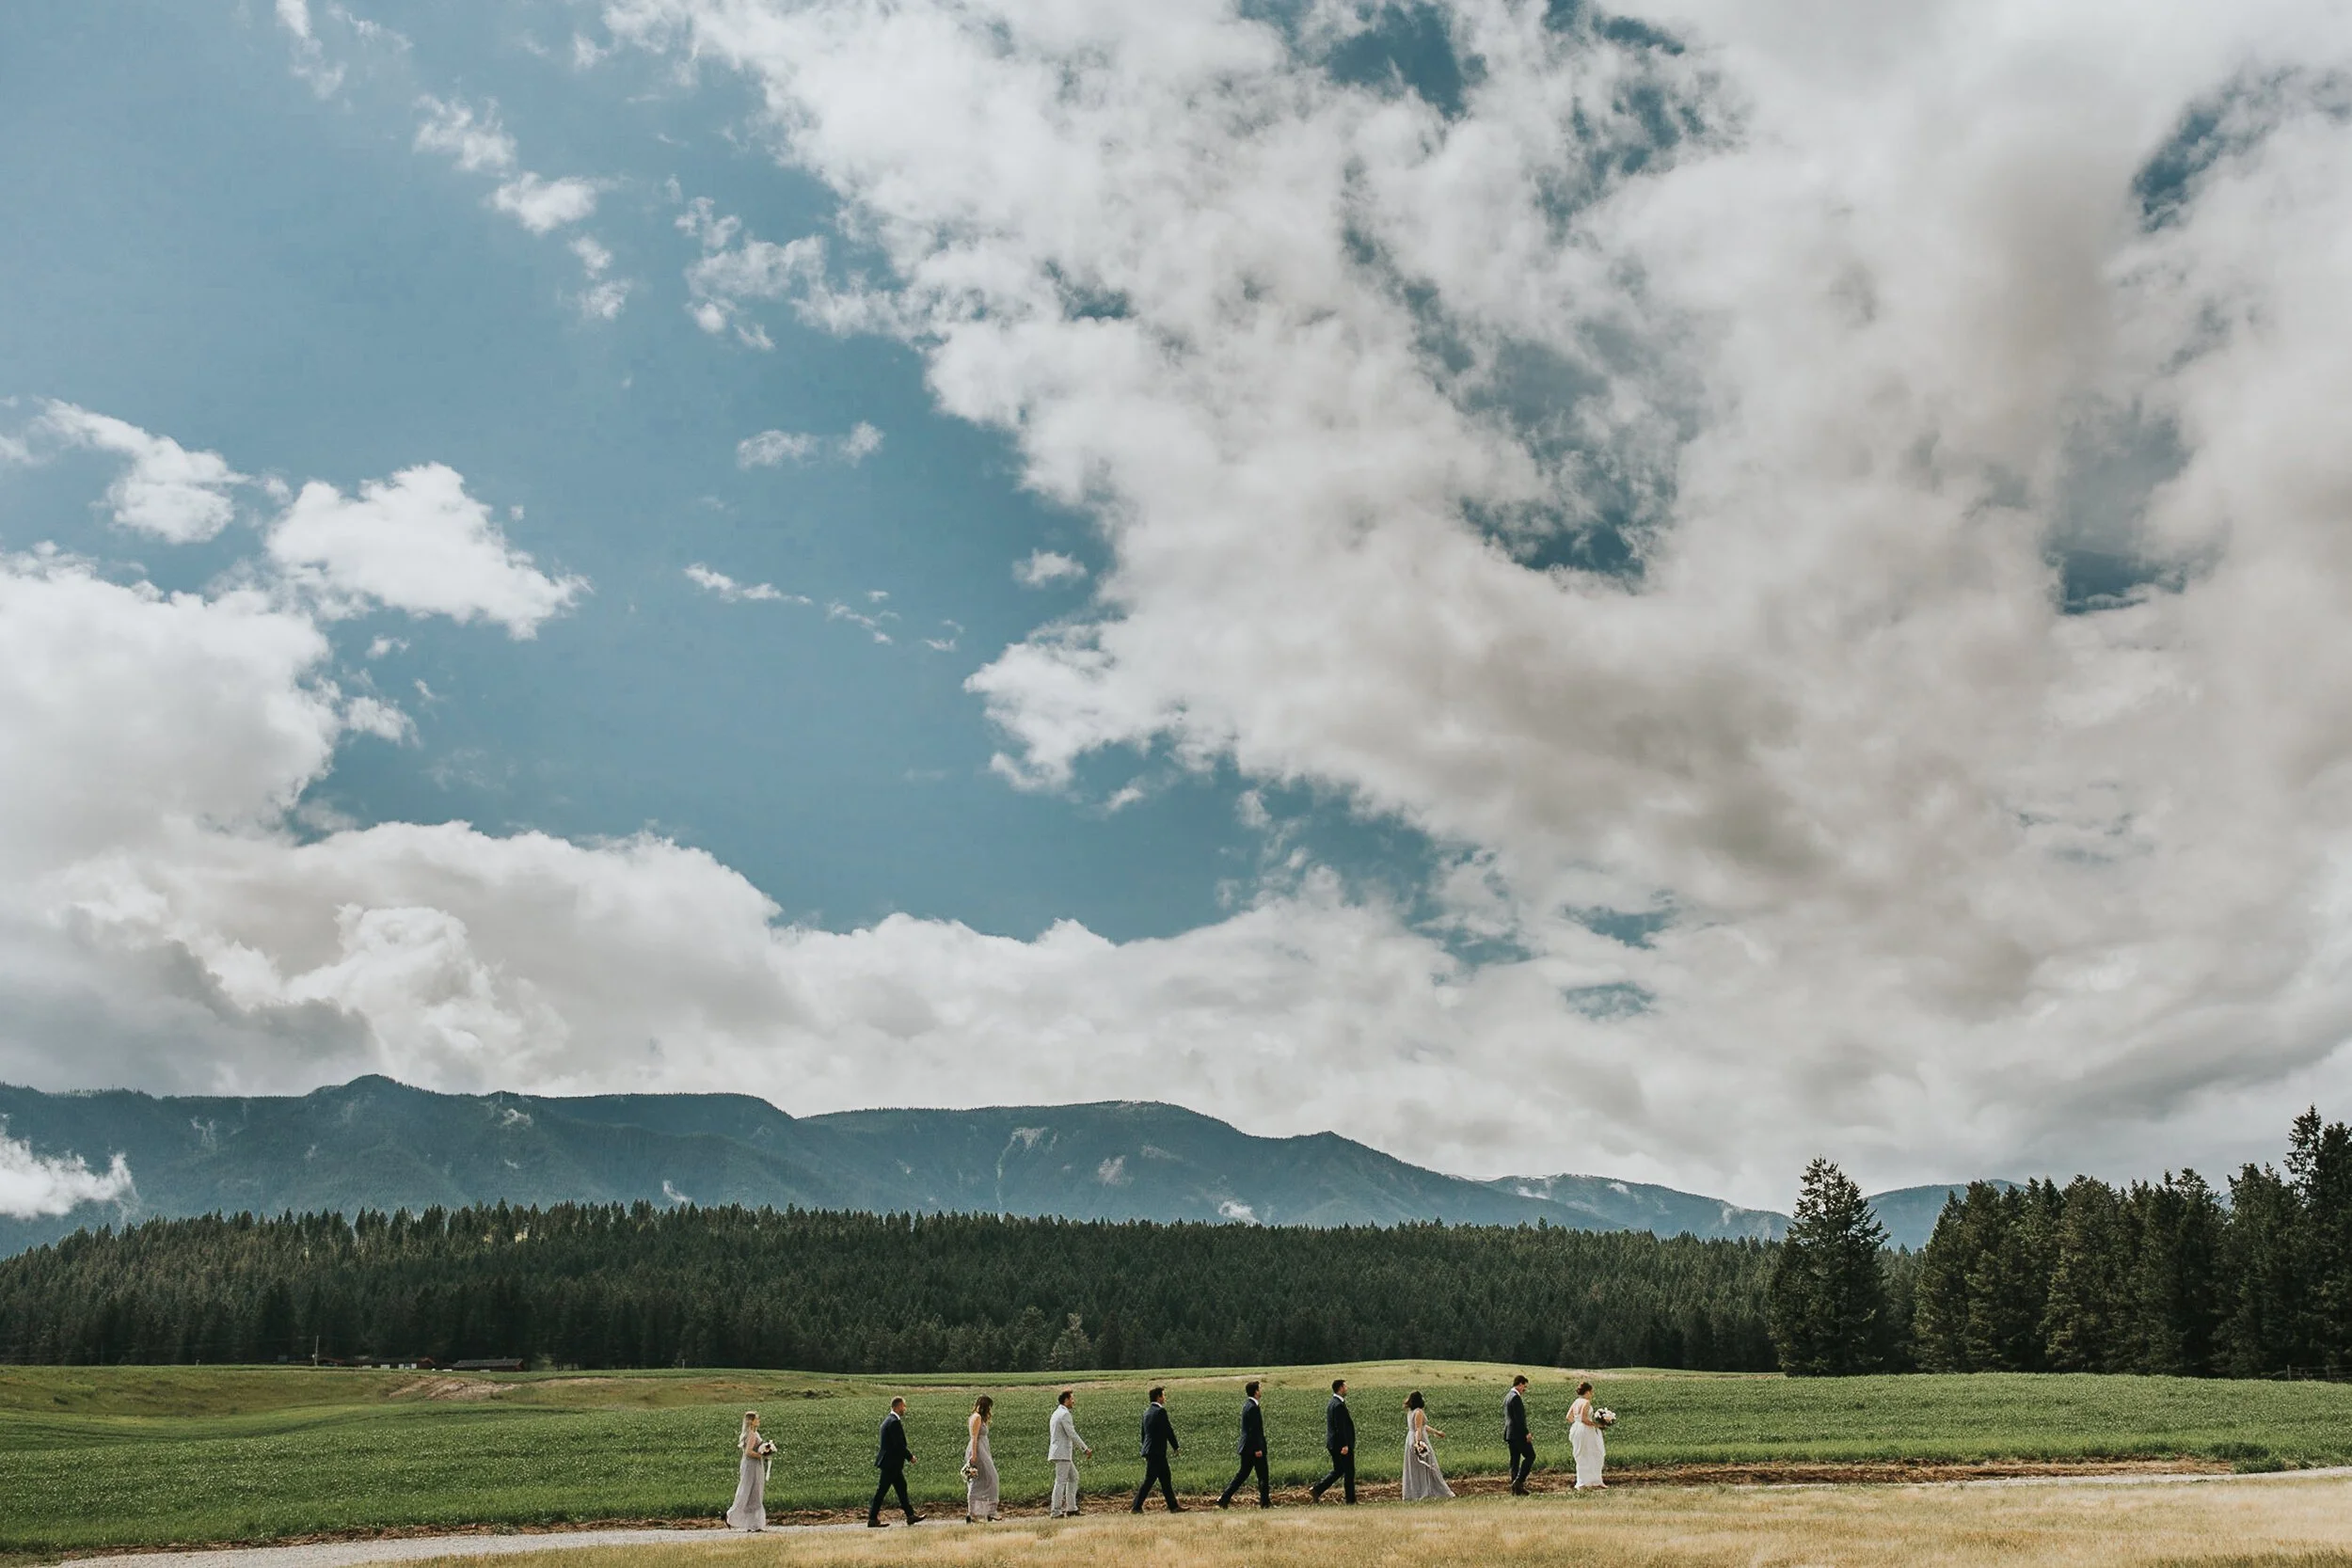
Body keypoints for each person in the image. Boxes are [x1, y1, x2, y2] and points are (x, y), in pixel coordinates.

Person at [868, 1397, 924, 1528]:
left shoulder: (888, 1420)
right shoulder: (894, 1422)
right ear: (897, 1407)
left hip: (891, 1464)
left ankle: (910, 1516)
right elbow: (899, 1444)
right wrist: (910, 1457)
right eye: (904, 1406)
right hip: (891, 1464)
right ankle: (872, 1518)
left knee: (901, 1488)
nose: (905, 1409)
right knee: (881, 1492)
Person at [1218, 1380, 1270, 1509]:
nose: (1261, 1390)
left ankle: (1224, 1498)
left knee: (1242, 1475)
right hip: (1254, 1448)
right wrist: (1258, 1448)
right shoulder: (1253, 1407)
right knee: (1263, 1475)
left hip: (1247, 1447)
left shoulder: (1248, 1405)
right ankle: (1265, 1503)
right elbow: (1254, 1430)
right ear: (1256, 1391)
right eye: (1260, 1388)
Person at [1132, 1386, 1183, 1513]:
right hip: (1157, 1451)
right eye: (1163, 1395)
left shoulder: (1146, 1412)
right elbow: (1168, 1430)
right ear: (1158, 1397)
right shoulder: (1161, 1412)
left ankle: (1174, 1506)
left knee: (1165, 1478)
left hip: (1150, 1450)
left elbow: (1143, 1434)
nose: (1164, 1398)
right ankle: (1136, 1507)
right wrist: (1175, 1446)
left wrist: (1145, 1449)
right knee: (1149, 1480)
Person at [1047, 1387, 1093, 1518]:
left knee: (1074, 1477)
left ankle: (1072, 1508)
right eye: (1072, 1399)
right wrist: (1085, 1448)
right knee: (1060, 1481)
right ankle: (1056, 1511)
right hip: (1062, 1453)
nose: (1074, 1401)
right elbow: (1072, 1434)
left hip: (1060, 1452)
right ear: (1066, 1400)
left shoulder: (1056, 1413)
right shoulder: (1065, 1414)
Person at [1310, 1377, 1356, 1503]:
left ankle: (1317, 1489)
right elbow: (1340, 1427)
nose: (1347, 1388)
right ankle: (1350, 1500)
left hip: (1333, 1444)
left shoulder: (1332, 1403)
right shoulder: (1338, 1405)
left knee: (1339, 1470)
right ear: (1340, 1388)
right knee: (1349, 1472)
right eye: (1345, 1386)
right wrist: (1345, 1445)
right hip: (1341, 1445)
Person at [1400, 1391, 1453, 1501]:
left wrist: (1436, 1432)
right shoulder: (1419, 1412)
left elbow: (1422, 1427)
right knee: (1427, 1464)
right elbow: (1419, 1429)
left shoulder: (1411, 1412)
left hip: (1410, 1439)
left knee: (1416, 1467)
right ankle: (1427, 1491)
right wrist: (1419, 1443)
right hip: (1418, 1439)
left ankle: (1416, 1491)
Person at [726, 1410, 772, 1531]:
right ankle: (734, 1517)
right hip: (751, 1465)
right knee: (750, 1491)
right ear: (751, 1421)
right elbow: (748, 1452)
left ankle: (753, 1524)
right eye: (757, 1419)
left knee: (752, 1492)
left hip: (753, 1465)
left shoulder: (753, 1433)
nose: (759, 1421)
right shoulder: (752, 1434)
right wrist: (761, 1455)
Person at [963, 1394, 999, 1523]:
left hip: (983, 1450)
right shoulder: (977, 1417)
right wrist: (974, 1454)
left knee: (985, 1480)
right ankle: (977, 1511)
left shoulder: (979, 1418)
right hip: (978, 1450)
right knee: (989, 1478)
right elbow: (974, 1437)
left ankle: (983, 1512)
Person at [1568, 1381, 1608, 1490]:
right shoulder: (1586, 1402)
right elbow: (1584, 1418)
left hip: (1577, 1429)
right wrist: (1596, 1425)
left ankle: (1585, 1481)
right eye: (1591, 1392)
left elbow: (1569, 1416)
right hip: (1586, 1431)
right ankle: (1594, 1480)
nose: (1592, 1394)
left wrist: (1576, 1424)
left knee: (1582, 1455)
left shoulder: (1576, 1402)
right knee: (1595, 1453)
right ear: (1588, 1391)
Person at [1505, 1374, 1534, 1494]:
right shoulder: (1515, 1398)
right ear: (1520, 1384)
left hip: (1510, 1434)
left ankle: (1516, 1490)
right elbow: (1519, 1419)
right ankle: (1519, 1481)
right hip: (1518, 1434)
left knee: (1515, 1461)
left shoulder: (1507, 1396)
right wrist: (1526, 1433)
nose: (1524, 1390)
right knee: (1530, 1456)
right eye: (1524, 1387)